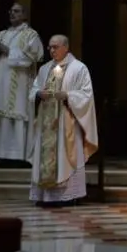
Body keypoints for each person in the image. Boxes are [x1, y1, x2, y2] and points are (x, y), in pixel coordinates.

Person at [28, 34, 98, 206]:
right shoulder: (44, 69)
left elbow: (86, 95)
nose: (52, 50)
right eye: (50, 47)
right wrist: (38, 94)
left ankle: (67, 196)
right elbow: (34, 89)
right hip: (46, 123)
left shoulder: (79, 68)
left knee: (66, 158)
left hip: (67, 122)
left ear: (66, 47)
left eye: (55, 47)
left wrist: (67, 95)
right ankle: (44, 196)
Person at [0, 3, 44, 168]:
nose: (12, 13)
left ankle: (20, 155)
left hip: (21, 84)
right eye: (10, 11)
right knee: (2, 117)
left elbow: (34, 56)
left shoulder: (31, 35)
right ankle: (2, 154)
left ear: (24, 15)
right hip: (2, 83)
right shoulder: (1, 35)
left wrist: (9, 51)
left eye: (16, 11)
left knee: (18, 115)